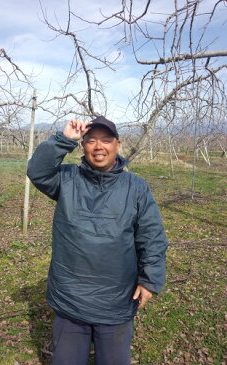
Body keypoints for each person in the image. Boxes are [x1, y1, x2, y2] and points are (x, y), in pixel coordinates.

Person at [27, 116, 168, 365]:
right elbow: (37, 171)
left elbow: (152, 235)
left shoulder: (136, 187)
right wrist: (63, 140)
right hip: (70, 297)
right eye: (90, 141)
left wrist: (150, 279)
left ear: (117, 144)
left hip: (117, 299)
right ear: (82, 146)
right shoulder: (67, 179)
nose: (98, 146)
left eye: (105, 140)